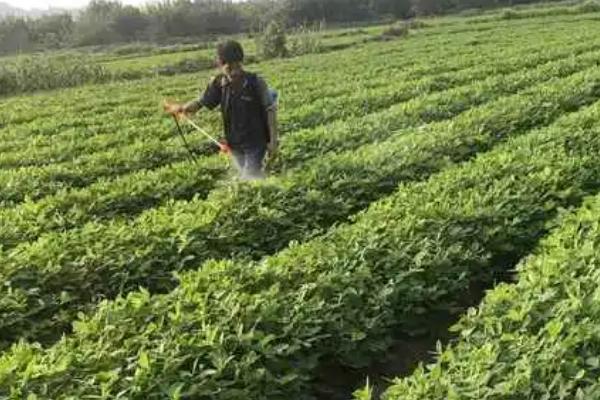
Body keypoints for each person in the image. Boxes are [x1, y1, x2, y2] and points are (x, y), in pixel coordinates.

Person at [168, 40, 278, 180]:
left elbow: (270, 110)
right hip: (234, 143)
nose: (234, 71)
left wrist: (273, 141)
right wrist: (181, 108)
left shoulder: (255, 82)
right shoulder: (219, 83)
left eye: (237, 65)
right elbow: (200, 102)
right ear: (221, 64)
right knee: (248, 178)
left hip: (255, 143)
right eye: (229, 67)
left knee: (250, 179)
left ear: (241, 61)